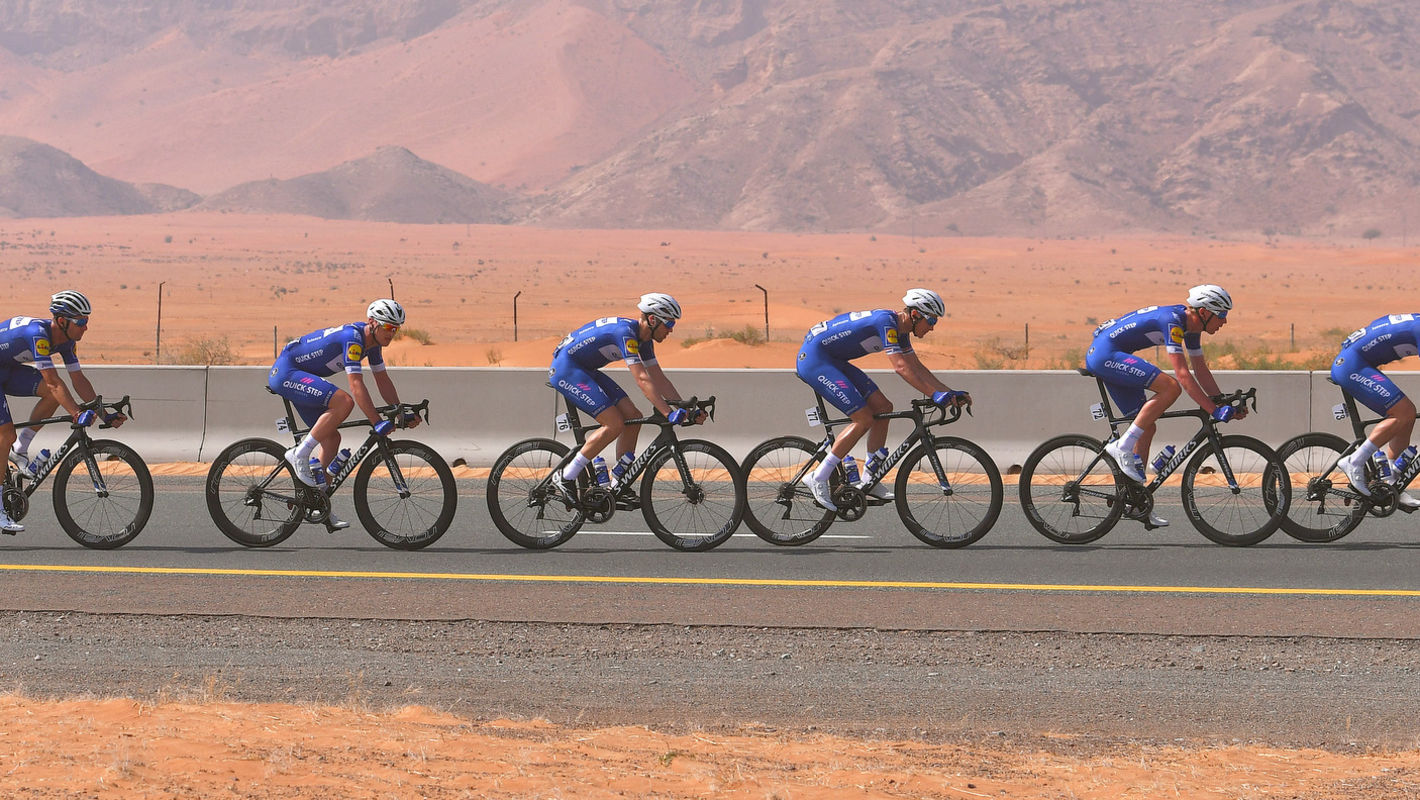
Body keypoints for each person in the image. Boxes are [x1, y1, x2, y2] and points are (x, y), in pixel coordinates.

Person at [794, 289, 969, 512]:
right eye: (931, 320)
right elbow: (901, 367)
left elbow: (917, 367)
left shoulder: (901, 331)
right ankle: (818, 477)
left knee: (884, 408)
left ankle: (869, 478)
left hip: (833, 360)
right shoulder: (886, 322)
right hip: (815, 360)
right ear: (915, 315)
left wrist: (949, 393)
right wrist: (935, 395)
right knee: (863, 419)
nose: (933, 327)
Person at [1086, 284, 1242, 527]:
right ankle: (1121, 447)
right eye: (1221, 315)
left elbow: (1200, 369)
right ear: (1204, 312)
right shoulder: (1173, 322)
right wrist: (1213, 410)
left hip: (1111, 355)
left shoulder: (1192, 328)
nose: (1224, 321)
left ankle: (1136, 502)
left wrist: (1220, 400)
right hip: (1105, 355)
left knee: (1146, 426)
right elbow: (1183, 374)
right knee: (1170, 387)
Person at [268, 299, 420, 529]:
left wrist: (400, 412)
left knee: (332, 439)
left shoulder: (374, 345)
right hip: (287, 372)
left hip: (300, 375)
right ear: (372, 323)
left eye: (396, 329)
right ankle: (299, 454)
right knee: (344, 402)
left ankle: (317, 502)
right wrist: (376, 421)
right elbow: (356, 384)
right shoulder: (353, 338)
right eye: (388, 327)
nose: (391, 334)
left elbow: (382, 379)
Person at [548, 293, 703, 500]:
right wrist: (667, 412)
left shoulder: (644, 340)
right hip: (566, 370)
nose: (671, 329)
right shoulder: (625, 334)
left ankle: (618, 484)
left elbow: (658, 378)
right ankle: (566, 476)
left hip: (586, 370)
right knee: (613, 423)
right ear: (653, 320)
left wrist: (687, 409)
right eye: (669, 323)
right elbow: (642, 379)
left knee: (633, 417)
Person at [0, 290, 126, 533]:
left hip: (7, 369)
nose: (86, 327)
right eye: (81, 321)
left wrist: (103, 414)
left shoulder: (68, 342)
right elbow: (53, 382)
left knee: (52, 398)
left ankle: (20, 449)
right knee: (5, 434)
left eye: (87, 320)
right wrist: (77, 413)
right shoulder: (37, 335)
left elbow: (78, 380)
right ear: (61, 321)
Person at [1330, 314, 1420, 508]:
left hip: (1356, 362)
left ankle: (1392, 483)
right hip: (1351, 365)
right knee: (1402, 412)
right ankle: (1355, 461)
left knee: (1408, 414)